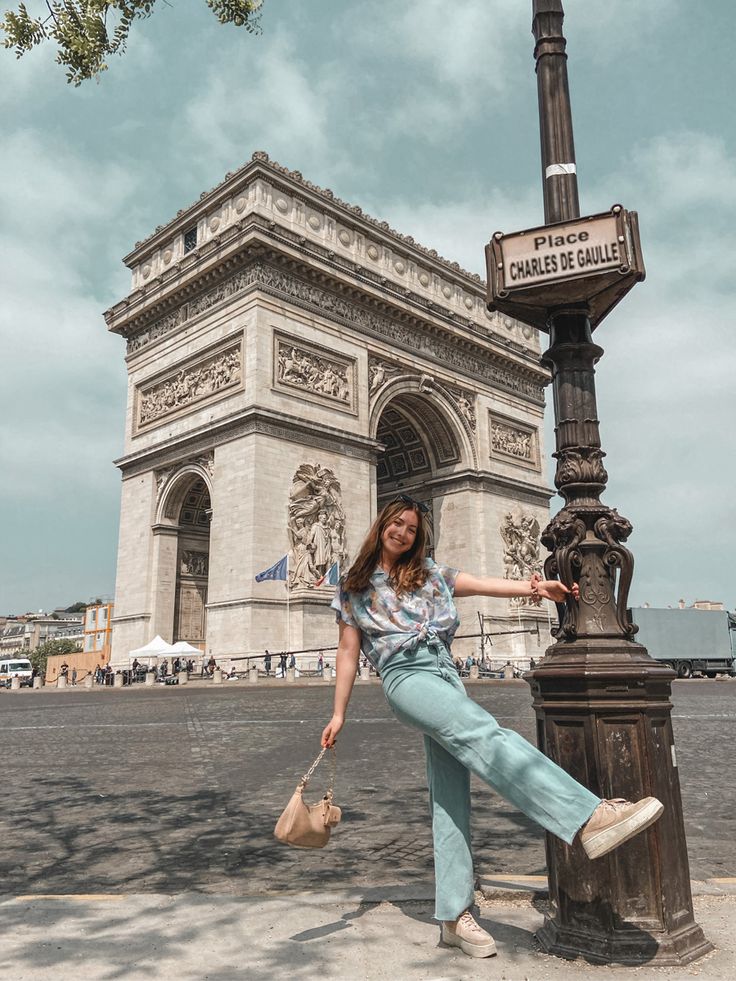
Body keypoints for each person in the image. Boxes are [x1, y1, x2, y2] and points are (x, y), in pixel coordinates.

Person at [321, 498, 663, 961]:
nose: (402, 532)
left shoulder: (429, 572)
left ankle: (453, 915)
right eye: (395, 524)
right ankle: (586, 816)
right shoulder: (354, 585)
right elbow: (347, 651)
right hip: (406, 678)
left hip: (445, 674)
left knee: (451, 794)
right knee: (488, 734)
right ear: (381, 525)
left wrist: (537, 589)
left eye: (410, 528)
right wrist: (338, 713)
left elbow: (484, 584)